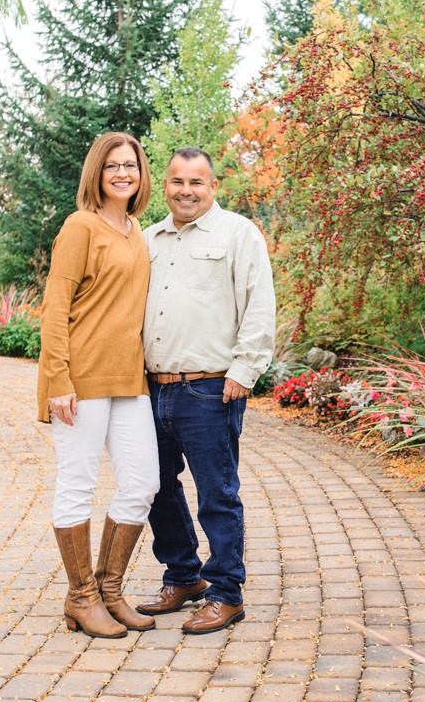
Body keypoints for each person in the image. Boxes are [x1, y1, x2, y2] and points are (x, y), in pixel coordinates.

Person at [136, 147, 276, 634]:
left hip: (211, 388)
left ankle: (225, 592)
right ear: (166, 185)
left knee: (217, 492)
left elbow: (259, 305)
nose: (185, 190)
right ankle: (182, 576)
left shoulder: (237, 234)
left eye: (196, 182)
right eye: (177, 181)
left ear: (213, 186)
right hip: (151, 388)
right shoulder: (149, 238)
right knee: (153, 487)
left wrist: (244, 370)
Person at [37, 131, 161, 638]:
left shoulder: (137, 231)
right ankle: (81, 597)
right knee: (78, 484)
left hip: (129, 379)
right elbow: (55, 307)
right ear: (97, 173)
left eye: (130, 164)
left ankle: (110, 592)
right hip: (80, 380)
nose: (122, 173)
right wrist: (57, 379)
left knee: (142, 482)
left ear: (140, 173)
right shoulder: (80, 226)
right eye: (112, 166)